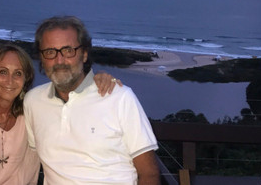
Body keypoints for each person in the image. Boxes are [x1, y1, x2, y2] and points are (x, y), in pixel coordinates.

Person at [0, 43, 120, 185]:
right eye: (3, 72)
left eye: (18, 73)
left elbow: (71, 99)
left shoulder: (34, 110)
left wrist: (95, 81)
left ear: (25, 79)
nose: (10, 80)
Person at [24, 16, 160, 185]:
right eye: (50, 52)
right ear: (41, 58)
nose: (59, 61)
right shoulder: (33, 102)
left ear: (84, 54)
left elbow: (149, 174)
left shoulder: (119, 98)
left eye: (68, 50)